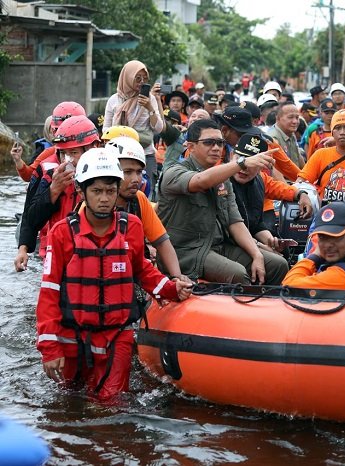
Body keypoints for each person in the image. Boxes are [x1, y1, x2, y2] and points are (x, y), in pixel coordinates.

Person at [35, 148, 192, 403]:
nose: (105, 199)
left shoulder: (131, 227)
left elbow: (143, 270)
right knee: (68, 402)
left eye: (110, 191)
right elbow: (49, 292)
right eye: (97, 191)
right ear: (81, 191)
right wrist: (49, 348)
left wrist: (171, 289)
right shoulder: (62, 233)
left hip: (116, 335)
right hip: (71, 336)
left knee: (110, 404)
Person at [157, 119, 287, 285]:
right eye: (209, 142)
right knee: (237, 274)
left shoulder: (223, 179)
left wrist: (257, 254)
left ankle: (266, 309)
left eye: (220, 143)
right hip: (187, 251)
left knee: (278, 264)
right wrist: (242, 163)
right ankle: (245, 310)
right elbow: (200, 181)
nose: (216, 148)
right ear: (191, 147)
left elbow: (235, 221)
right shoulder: (173, 172)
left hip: (218, 246)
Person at [15, 116, 101, 272]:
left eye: (74, 152)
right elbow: (31, 217)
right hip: (58, 255)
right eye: (63, 154)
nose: (67, 160)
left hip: (94, 257)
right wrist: (53, 190)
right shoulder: (49, 173)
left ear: (93, 148)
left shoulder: (108, 176)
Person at [104, 136, 183, 277]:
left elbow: (162, 241)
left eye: (139, 172)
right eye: (127, 172)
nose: (136, 179)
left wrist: (178, 277)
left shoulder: (139, 199)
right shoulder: (91, 205)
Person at [230, 132, 313, 252]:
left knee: (284, 252)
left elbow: (280, 188)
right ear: (232, 156)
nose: (244, 167)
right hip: (229, 242)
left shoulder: (260, 179)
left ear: (261, 166)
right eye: (242, 160)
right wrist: (259, 248)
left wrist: (301, 194)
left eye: (252, 163)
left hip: (252, 237)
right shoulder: (220, 179)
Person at [103, 60, 164, 191]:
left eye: (145, 78)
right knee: (118, 191)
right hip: (119, 155)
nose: (142, 82)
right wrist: (123, 134)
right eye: (137, 78)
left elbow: (158, 128)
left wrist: (150, 108)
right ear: (127, 78)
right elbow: (105, 130)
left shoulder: (150, 99)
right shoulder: (114, 100)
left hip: (145, 154)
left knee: (145, 193)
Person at [11, 101, 86, 182]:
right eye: (63, 153)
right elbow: (29, 175)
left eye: (74, 152)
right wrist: (18, 160)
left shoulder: (95, 153)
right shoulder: (49, 153)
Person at [267, 101, 304, 168]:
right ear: (278, 118)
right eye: (290, 117)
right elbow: (275, 171)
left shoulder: (291, 133)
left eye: (297, 117)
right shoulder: (273, 138)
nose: (295, 121)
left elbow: (299, 158)